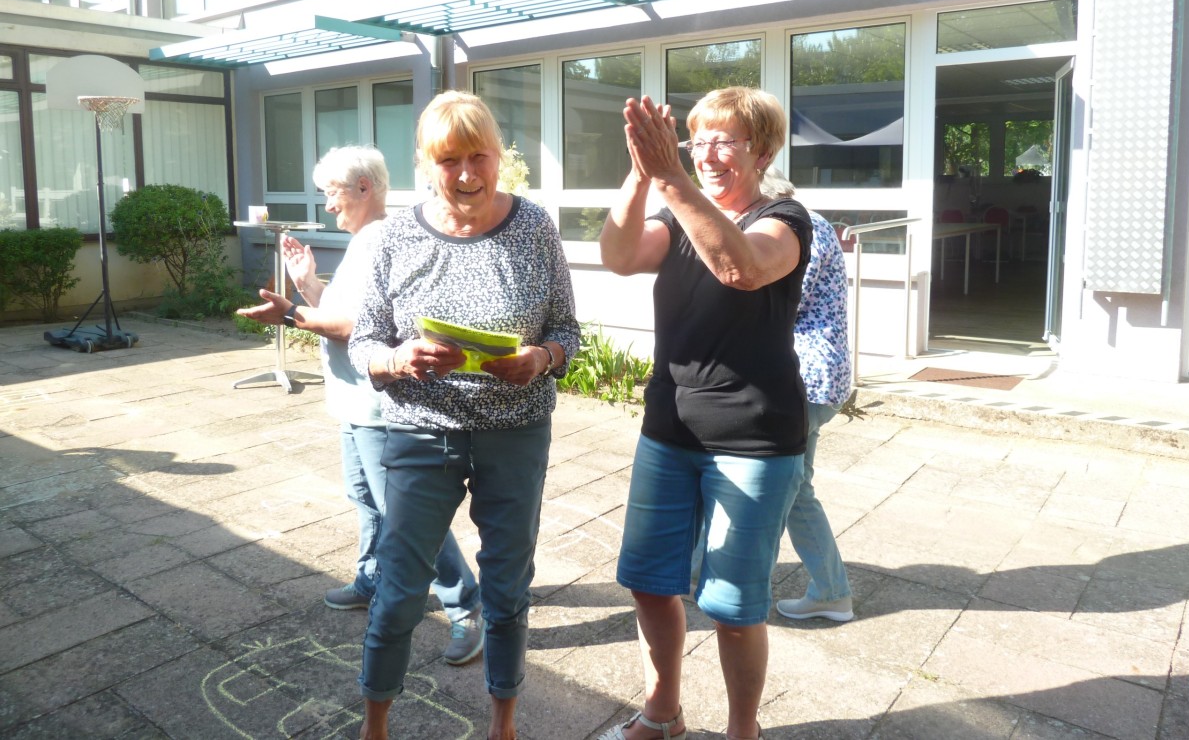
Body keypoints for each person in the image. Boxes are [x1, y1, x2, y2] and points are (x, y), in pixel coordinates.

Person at [347, 91, 580, 740]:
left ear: (499, 157)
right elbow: (364, 343)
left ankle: (503, 721)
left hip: (515, 434)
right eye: (450, 160)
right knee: (399, 590)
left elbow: (568, 330)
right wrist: (399, 359)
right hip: (421, 433)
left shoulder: (534, 227)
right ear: (426, 163)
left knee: (507, 589)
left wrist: (540, 358)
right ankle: (374, 724)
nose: (468, 174)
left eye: (480, 157)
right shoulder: (395, 236)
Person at [598, 87, 812, 740]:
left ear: (763, 152)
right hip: (669, 431)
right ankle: (663, 714)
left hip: (754, 441)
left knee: (733, 607)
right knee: (647, 582)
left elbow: (739, 268)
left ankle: (743, 730)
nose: (708, 155)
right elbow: (618, 256)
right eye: (698, 141)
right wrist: (642, 173)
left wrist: (670, 175)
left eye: (726, 141)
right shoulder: (676, 218)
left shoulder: (784, 220)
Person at [235, 146, 484, 666]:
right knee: (366, 499)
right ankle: (372, 578)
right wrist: (308, 284)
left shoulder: (380, 240)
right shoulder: (362, 241)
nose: (328, 205)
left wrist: (290, 314)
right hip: (351, 400)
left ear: (364, 188)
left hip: (376, 405)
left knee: (405, 516)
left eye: (332, 193)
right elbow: (343, 312)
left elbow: (356, 328)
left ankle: (466, 606)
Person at [775, 210, 854, 622]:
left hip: (804, 379)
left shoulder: (795, 229)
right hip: (816, 377)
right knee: (795, 489)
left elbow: (779, 300)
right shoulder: (810, 225)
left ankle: (729, 583)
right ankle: (831, 592)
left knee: (773, 488)